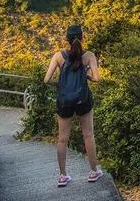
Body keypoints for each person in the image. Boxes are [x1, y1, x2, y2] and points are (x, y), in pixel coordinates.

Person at [43, 23, 102, 187]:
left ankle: (63, 176)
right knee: (88, 135)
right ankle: (93, 172)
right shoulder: (89, 55)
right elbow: (97, 79)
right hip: (83, 99)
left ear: (66, 39)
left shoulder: (58, 56)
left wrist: (61, 84)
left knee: (62, 139)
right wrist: (86, 77)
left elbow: (46, 80)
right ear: (83, 38)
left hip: (64, 101)